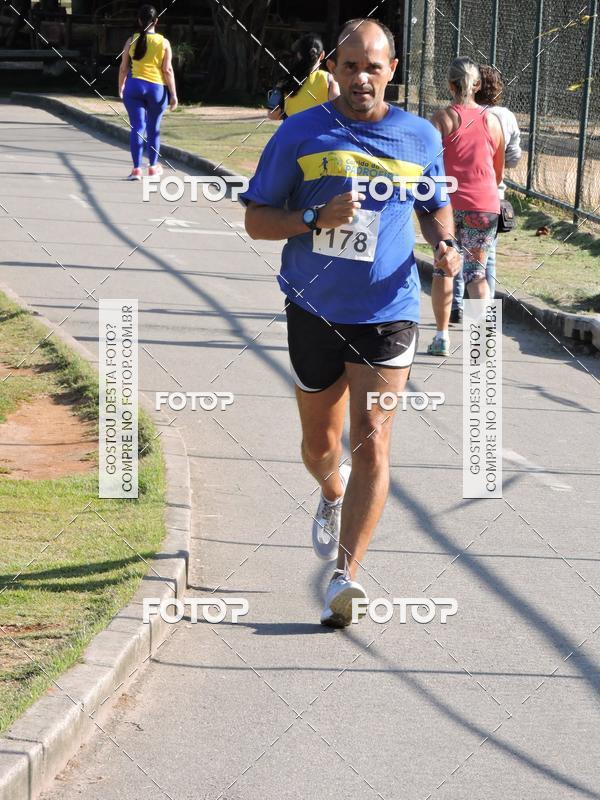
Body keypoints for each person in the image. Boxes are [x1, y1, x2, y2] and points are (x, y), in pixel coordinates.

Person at [243, 19, 461, 627]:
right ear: (332, 71)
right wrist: (313, 216)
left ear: (393, 70)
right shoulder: (300, 132)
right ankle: (330, 490)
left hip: (389, 310)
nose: (361, 78)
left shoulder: (419, 137)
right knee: (321, 446)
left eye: (373, 66)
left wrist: (444, 245)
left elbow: (435, 205)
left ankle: (345, 577)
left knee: (372, 435)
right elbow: (257, 220)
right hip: (314, 308)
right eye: (349, 66)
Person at [427, 57, 504, 356]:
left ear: (449, 84)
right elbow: (496, 172)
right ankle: (484, 343)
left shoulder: (442, 120)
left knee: (444, 268)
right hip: (484, 205)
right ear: (477, 85)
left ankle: (442, 336)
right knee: (476, 273)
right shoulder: (492, 121)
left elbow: (427, 164)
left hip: (447, 203)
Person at [118, 4, 178, 181]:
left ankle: (136, 170)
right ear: (156, 21)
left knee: (137, 127)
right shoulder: (164, 42)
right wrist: (173, 95)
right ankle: (152, 167)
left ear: (139, 20)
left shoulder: (131, 41)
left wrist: (121, 86)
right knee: (154, 129)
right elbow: (167, 70)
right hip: (157, 89)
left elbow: (123, 68)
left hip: (134, 87)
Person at [267, 33, 339, 120]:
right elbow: (338, 114)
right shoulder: (329, 80)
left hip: (292, 132)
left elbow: (272, 115)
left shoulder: (285, 81)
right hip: (318, 132)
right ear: (322, 55)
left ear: (299, 55)